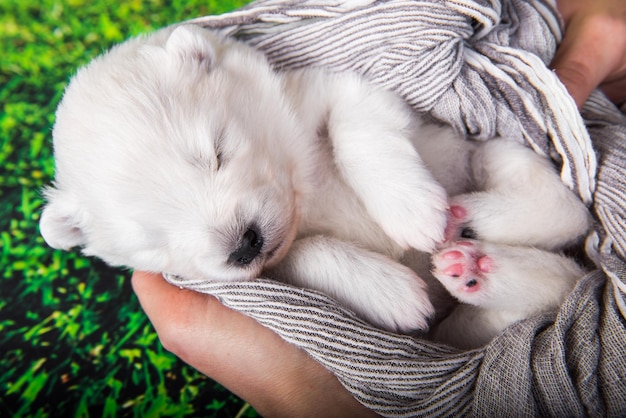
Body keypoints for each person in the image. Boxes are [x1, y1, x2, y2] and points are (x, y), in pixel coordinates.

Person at [131, 0, 626, 415]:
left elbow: (351, 93)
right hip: (452, 307)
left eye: (216, 156)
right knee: (464, 339)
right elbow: (293, 302)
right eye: (163, 234)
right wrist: (317, 259)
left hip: (468, 172)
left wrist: (375, 160)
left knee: (516, 169)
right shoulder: (223, 253)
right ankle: (508, 272)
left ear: (200, 62)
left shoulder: (286, 98)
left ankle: (526, 223)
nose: (232, 235)